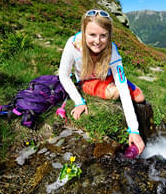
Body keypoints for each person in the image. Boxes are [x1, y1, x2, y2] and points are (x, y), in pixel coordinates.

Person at [59, 9, 149, 154]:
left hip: (105, 76)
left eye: (103, 36)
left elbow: (124, 90)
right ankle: (115, 82)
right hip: (88, 80)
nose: (97, 41)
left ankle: (119, 78)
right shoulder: (72, 45)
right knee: (115, 92)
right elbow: (63, 76)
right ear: (84, 31)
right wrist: (79, 101)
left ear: (109, 35)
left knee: (140, 97)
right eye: (92, 35)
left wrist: (134, 130)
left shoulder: (112, 49)